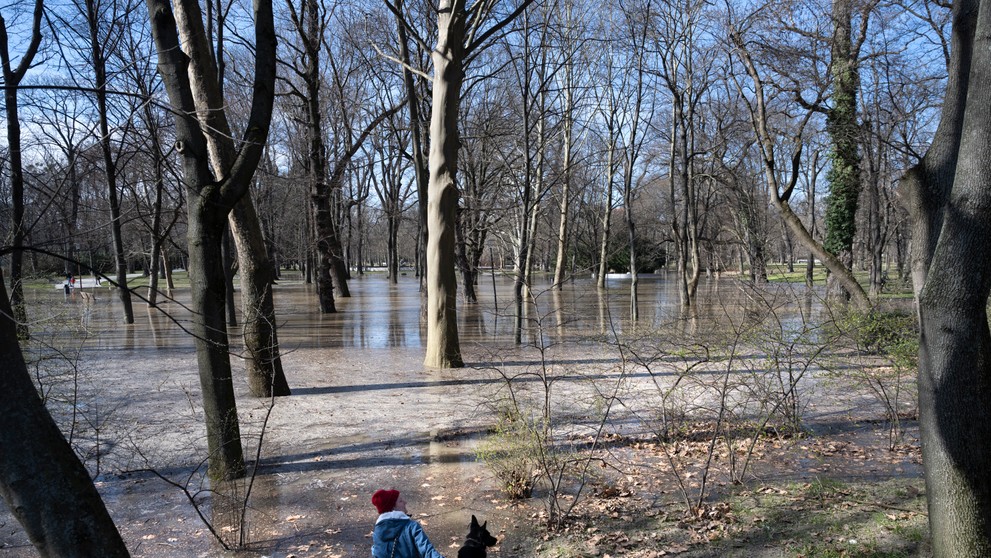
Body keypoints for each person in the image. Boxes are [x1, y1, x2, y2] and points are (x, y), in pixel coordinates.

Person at [371, 489, 444, 558]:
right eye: (401, 501)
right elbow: (427, 552)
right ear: (392, 507)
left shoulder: (377, 533)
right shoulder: (411, 527)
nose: (405, 502)